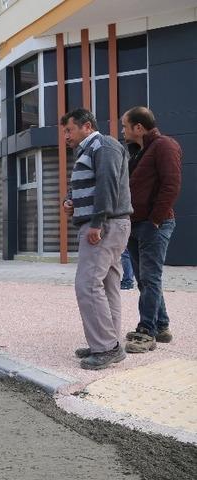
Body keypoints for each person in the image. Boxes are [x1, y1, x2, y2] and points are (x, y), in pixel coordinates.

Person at [61, 109, 132, 370]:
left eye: (69, 130)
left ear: (87, 126)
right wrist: (70, 201)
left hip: (105, 226)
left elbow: (107, 184)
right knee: (107, 284)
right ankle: (107, 342)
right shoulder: (87, 150)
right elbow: (85, 185)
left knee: (88, 285)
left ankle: (106, 348)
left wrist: (97, 222)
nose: (66, 136)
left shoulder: (103, 145)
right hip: (105, 224)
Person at [120, 106, 182, 353]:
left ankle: (146, 331)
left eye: (124, 125)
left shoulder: (164, 146)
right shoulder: (138, 152)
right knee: (145, 280)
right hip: (136, 224)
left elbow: (172, 184)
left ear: (138, 127)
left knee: (149, 278)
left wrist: (155, 219)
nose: (122, 130)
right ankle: (162, 326)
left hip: (154, 224)